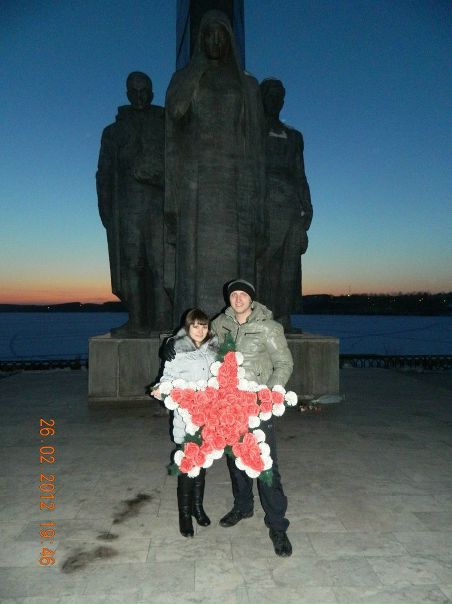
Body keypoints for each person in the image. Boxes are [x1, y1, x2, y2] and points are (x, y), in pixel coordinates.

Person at [164, 10, 265, 323]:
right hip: (197, 178)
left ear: (230, 40)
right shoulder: (185, 77)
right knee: (194, 259)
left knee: (237, 257)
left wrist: (257, 194)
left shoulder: (247, 84)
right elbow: (175, 114)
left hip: (236, 180)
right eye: (209, 35)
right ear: (201, 39)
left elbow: (255, 141)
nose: (216, 42)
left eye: (222, 35)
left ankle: (236, 328)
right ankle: (194, 327)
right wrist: (194, 75)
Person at [211, 279, 294, 557]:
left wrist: (267, 395)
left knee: (265, 465)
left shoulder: (269, 327)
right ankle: (243, 507)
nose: (237, 299)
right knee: (235, 459)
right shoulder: (219, 324)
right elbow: (199, 342)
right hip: (228, 405)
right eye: (233, 294)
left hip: (257, 405)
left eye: (243, 295)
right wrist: (174, 345)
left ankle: (277, 525)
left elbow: (284, 363)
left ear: (252, 299)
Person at [96, 71, 171, 335]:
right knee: (132, 264)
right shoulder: (113, 132)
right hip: (126, 209)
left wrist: (159, 176)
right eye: (134, 91)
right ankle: (137, 322)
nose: (139, 96)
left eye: (144, 91)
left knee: (160, 264)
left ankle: (162, 321)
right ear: (128, 94)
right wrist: (106, 209)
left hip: (158, 206)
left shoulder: (165, 125)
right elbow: (104, 173)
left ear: (151, 93)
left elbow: (179, 162)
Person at [151, 309, 218, 538]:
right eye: (195, 326)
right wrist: (162, 390)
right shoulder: (177, 350)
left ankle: (198, 508)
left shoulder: (214, 350)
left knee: (202, 465)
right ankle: (185, 514)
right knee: (188, 466)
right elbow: (167, 378)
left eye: (204, 326)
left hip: (208, 418)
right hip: (187, 419)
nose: (200, 331)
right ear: (187, 327)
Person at [258, 78, 313, 328]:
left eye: (279, 97)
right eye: (270, 96)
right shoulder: (252, 131)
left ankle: (282, 316)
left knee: (289, 263)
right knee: (264, 261)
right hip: (264, 202)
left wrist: (307, 207)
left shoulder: (293, 136)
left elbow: (300, 175)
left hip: (290, 204)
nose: (275, 101)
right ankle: (259, 316)